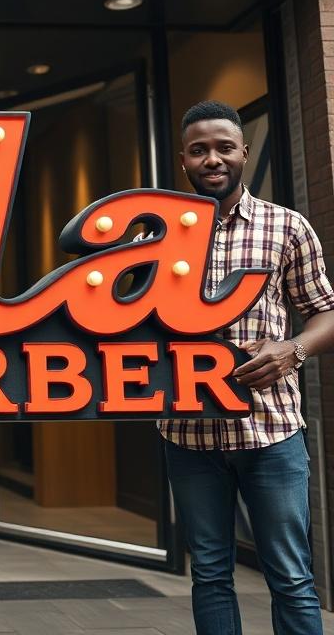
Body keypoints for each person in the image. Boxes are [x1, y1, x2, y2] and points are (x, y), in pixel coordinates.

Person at [163, 100, 334, 634]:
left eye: (223, 147)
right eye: (198, 150)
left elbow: (326, 314)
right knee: (210, 574)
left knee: (291, 577)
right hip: (187, 436)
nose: (212, 159)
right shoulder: (155, 235)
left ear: (243, 152)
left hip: (271, 432)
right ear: (184, 162)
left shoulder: (287, 226)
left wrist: (293, 349)